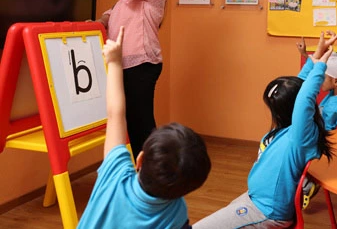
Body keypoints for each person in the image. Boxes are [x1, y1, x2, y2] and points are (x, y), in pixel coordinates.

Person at [193, 31, 335, 229]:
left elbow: (302, 97)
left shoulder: (301, 136)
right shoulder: (289, 129)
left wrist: (320, 66)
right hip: (255, 200)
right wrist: (315, 56)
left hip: (266, 211)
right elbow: (297, 88)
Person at [77, 26, 211, 229]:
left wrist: (114, 62)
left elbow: (115, 113)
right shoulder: (177, 212)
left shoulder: (115, 176)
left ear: (139, 159)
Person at [85, 0, 170, 159]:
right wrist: (98, 21)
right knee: (126, 125)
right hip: (121, 65)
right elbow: (113, 13)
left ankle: (155, 180)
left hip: (142, 65)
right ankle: (140, 177)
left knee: (140, 126)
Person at [296, 34, 337, 208]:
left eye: (323, 77)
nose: (319, 80)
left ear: (335, 81)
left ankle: (308, 184)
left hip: (323, 145)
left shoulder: (333, 106)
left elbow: (326, 131)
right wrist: (307, 56)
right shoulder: (332, 96)